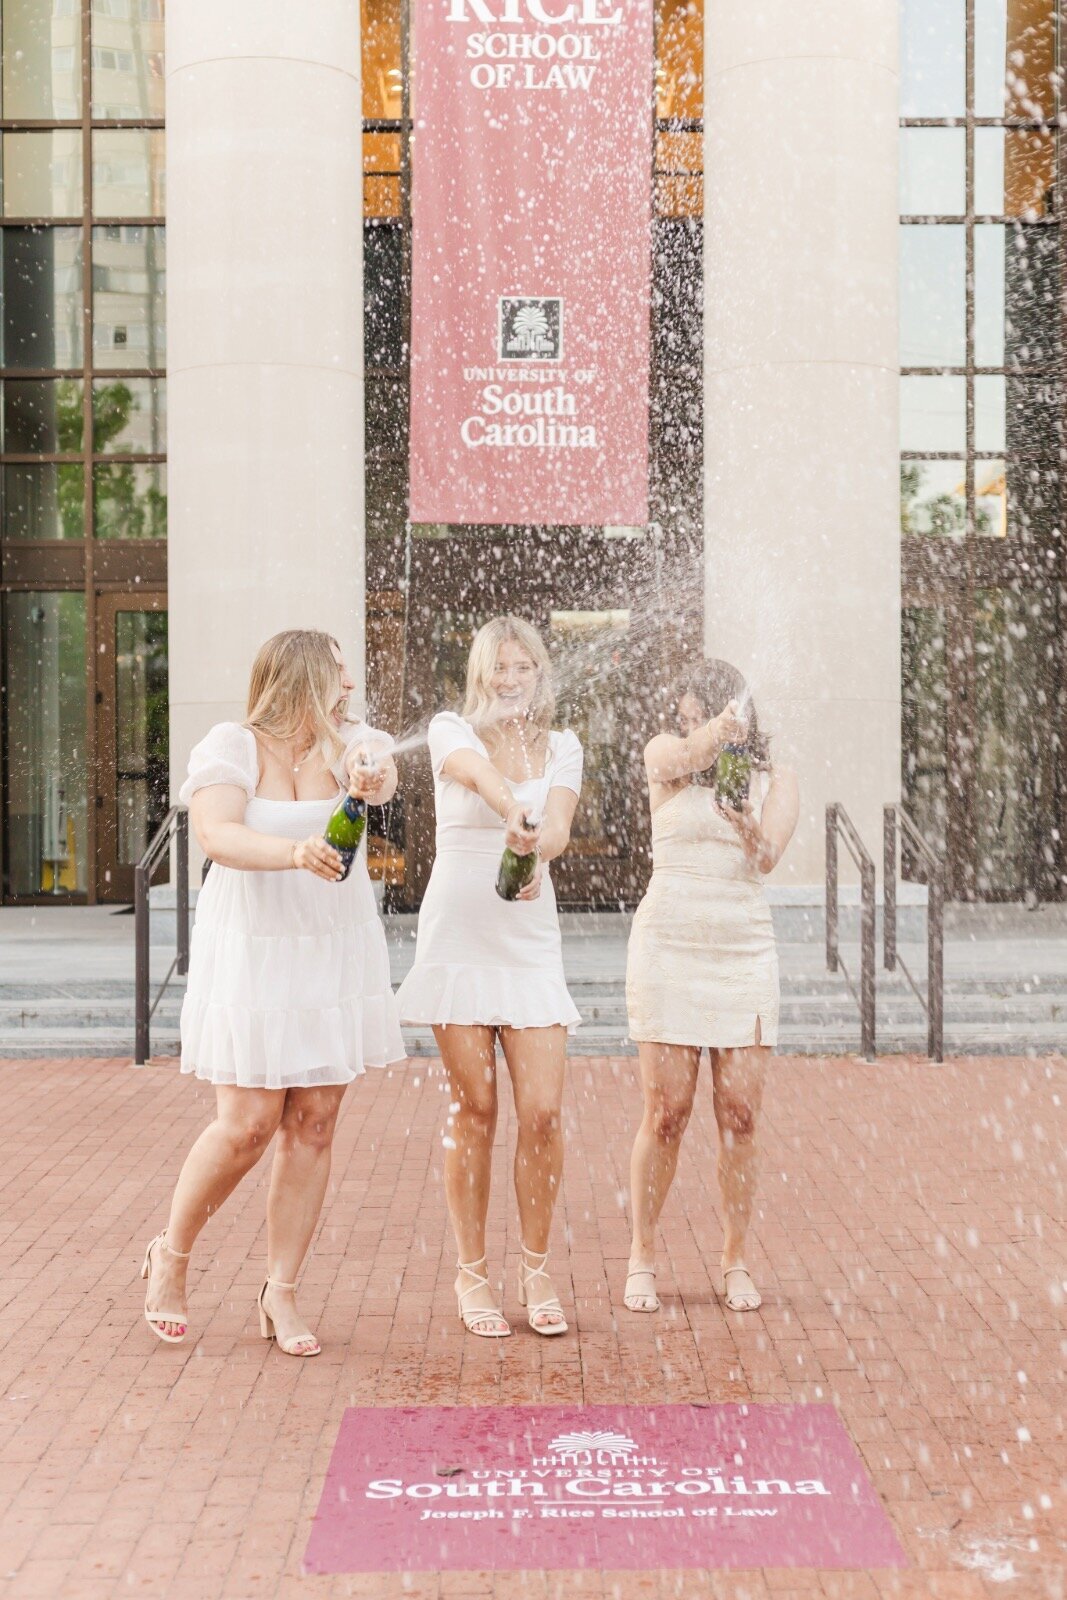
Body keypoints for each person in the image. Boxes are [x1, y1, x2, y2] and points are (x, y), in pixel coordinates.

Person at [140, 630, 405, 1355]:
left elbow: (375, 773)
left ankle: (280, 1293)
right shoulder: (231, 745)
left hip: (330, 946)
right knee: (248, 1124)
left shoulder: (355, 743)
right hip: (253, 947)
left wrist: (371, 775)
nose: (348, 687)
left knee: (314, 1121)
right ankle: (173, 1255)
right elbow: (218, 835)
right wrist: (292, 852)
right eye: (338, 675)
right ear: (303, 679)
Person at [396, 616, 583, 1338]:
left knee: (541, 1113)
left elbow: (558, 823)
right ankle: (471, 1276)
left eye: (522, 666)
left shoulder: (562, 745)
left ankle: (535, 1269)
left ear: (540, 672)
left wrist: (538, 851)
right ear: (479, 675)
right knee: (474, 1108)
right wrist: (514, 813)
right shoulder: (451, 730)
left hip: (528, 940)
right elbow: (476, 778)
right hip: (459, 937)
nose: (510, 679)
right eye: (497, 668)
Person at [624, 659, 798, 1315]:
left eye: (706, 713)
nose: (690, 727)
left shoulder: (774, 779)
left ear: (740, 716)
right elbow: (686, 754)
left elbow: (766, 856)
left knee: (740, 1116)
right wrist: (713, 736)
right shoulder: (664, 759)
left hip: (742, 951)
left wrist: (747, 824)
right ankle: (641, 1254)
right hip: (669, 947)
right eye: (687, 716)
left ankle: (733, 1259)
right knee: (666, 1112)